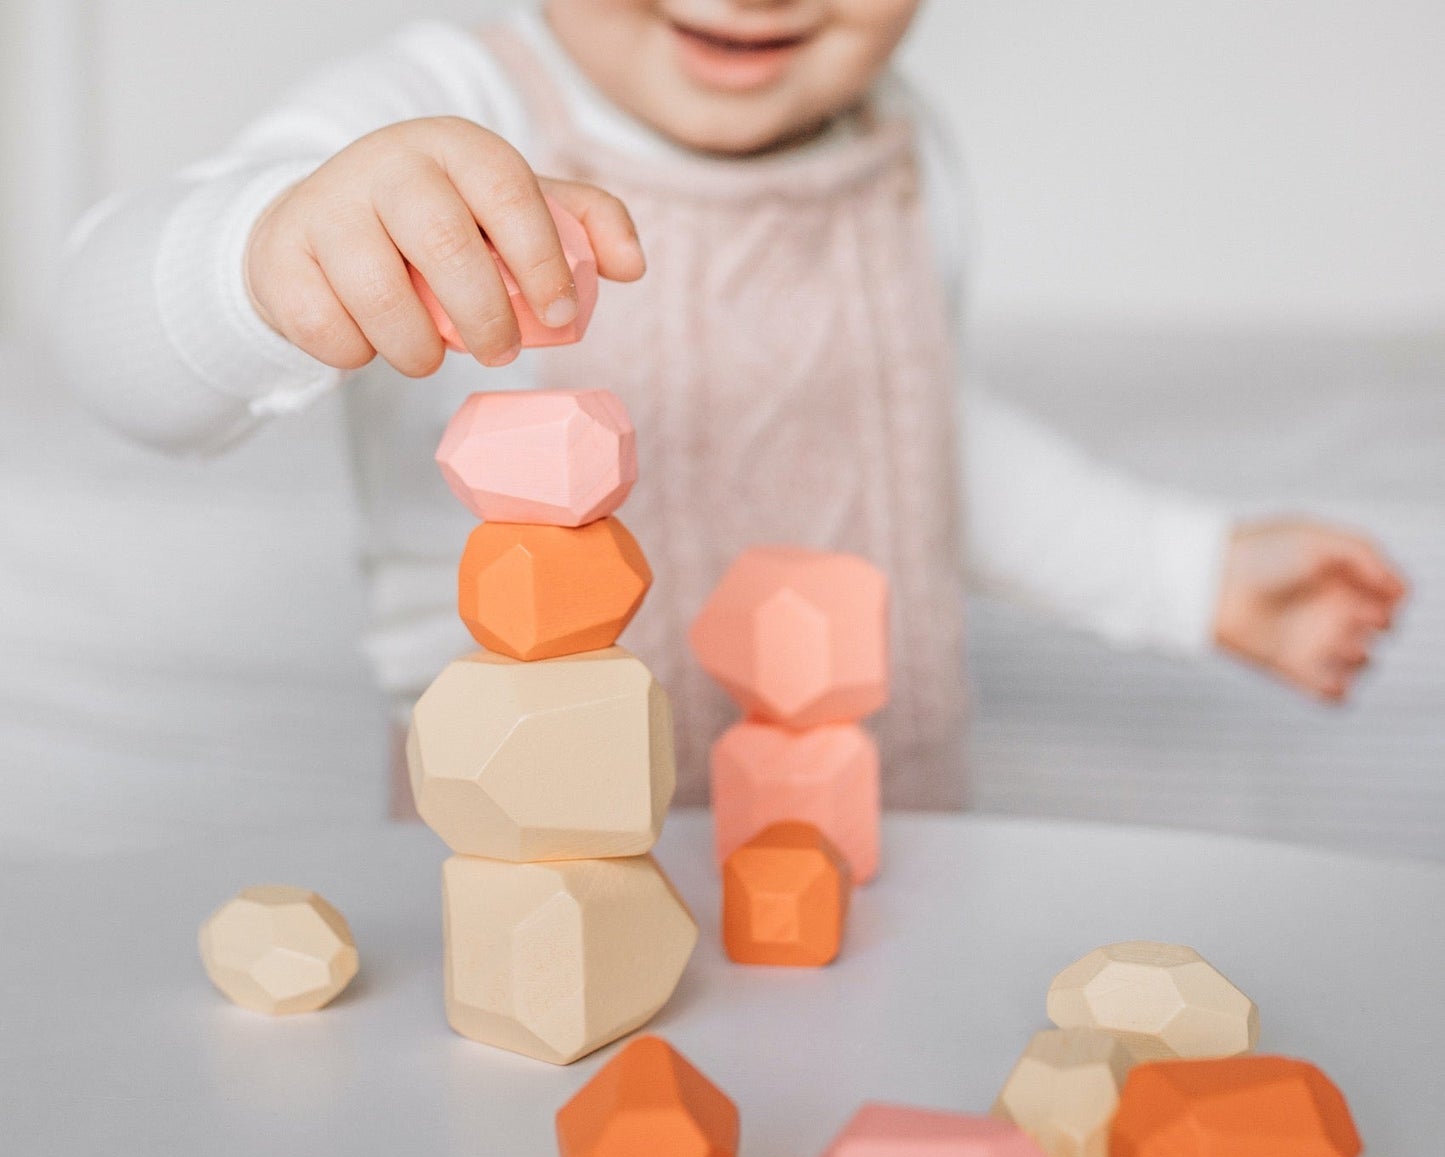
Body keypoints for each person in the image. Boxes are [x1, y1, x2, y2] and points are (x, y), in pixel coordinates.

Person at [58, 0, 1407, 809]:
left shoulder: (900, 150)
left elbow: (908, 428)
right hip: (545, 863)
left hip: (878, 824)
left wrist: (1187, 571)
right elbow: (113, 344)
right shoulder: (439, 108)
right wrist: (263, 262)